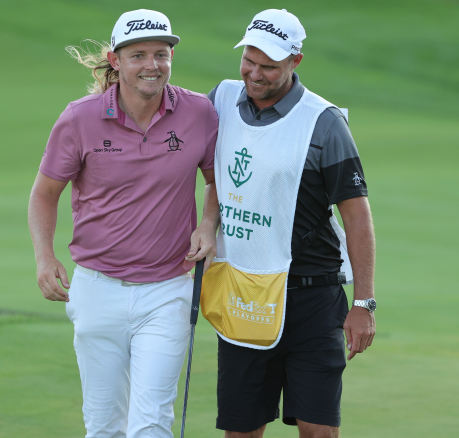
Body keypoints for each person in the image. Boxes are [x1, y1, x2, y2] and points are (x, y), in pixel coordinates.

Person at [27, 9, 219, 438]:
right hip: (97, 288)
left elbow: (217, 181)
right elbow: (44, 194)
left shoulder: (199, 112)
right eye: (139, 55)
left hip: (168, 288)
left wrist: (210, 222)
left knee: (150, 423)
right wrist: (44, 257)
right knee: (103, 426)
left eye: (161, 54)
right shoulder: (79, 118)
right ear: (115, 60)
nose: (152, 65)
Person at [201, 9, 376, 438]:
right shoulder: (220, 100)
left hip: (313, 298)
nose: (255, 74)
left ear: (295, 62)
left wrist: (363, 303)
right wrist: (208, 223)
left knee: (318, 430)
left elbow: (357, 218)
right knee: (241, 429)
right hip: (244, 293)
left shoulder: (324, 123)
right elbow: (209, 174)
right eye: (249, 61)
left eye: (269, 66)